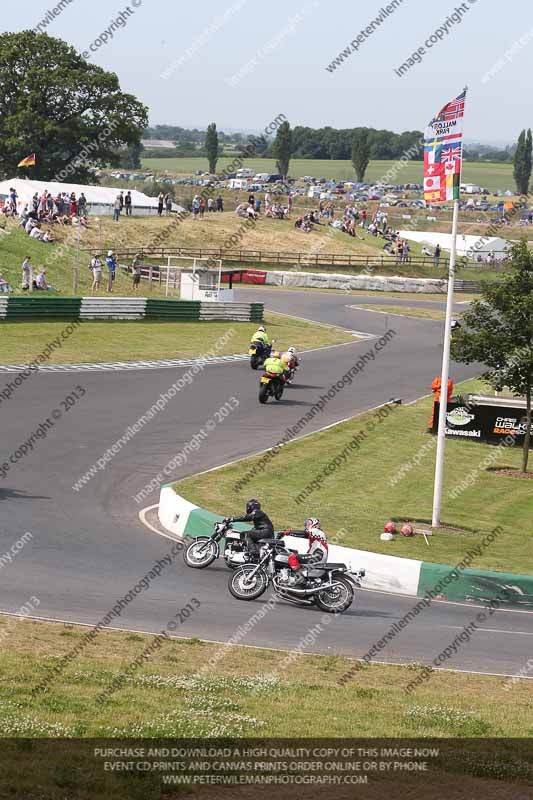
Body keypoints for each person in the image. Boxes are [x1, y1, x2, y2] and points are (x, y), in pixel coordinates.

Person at [281, 517, 329, 585]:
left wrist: (289, 532)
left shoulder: (316, 531)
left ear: (314, 524)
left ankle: (300, 578)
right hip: (317, 555)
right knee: (294, 555)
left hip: (317, 555)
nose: (307, 525)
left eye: (308, 523)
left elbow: (304, 534)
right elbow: (304, 535)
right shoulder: (318, 533)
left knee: (292, 557)